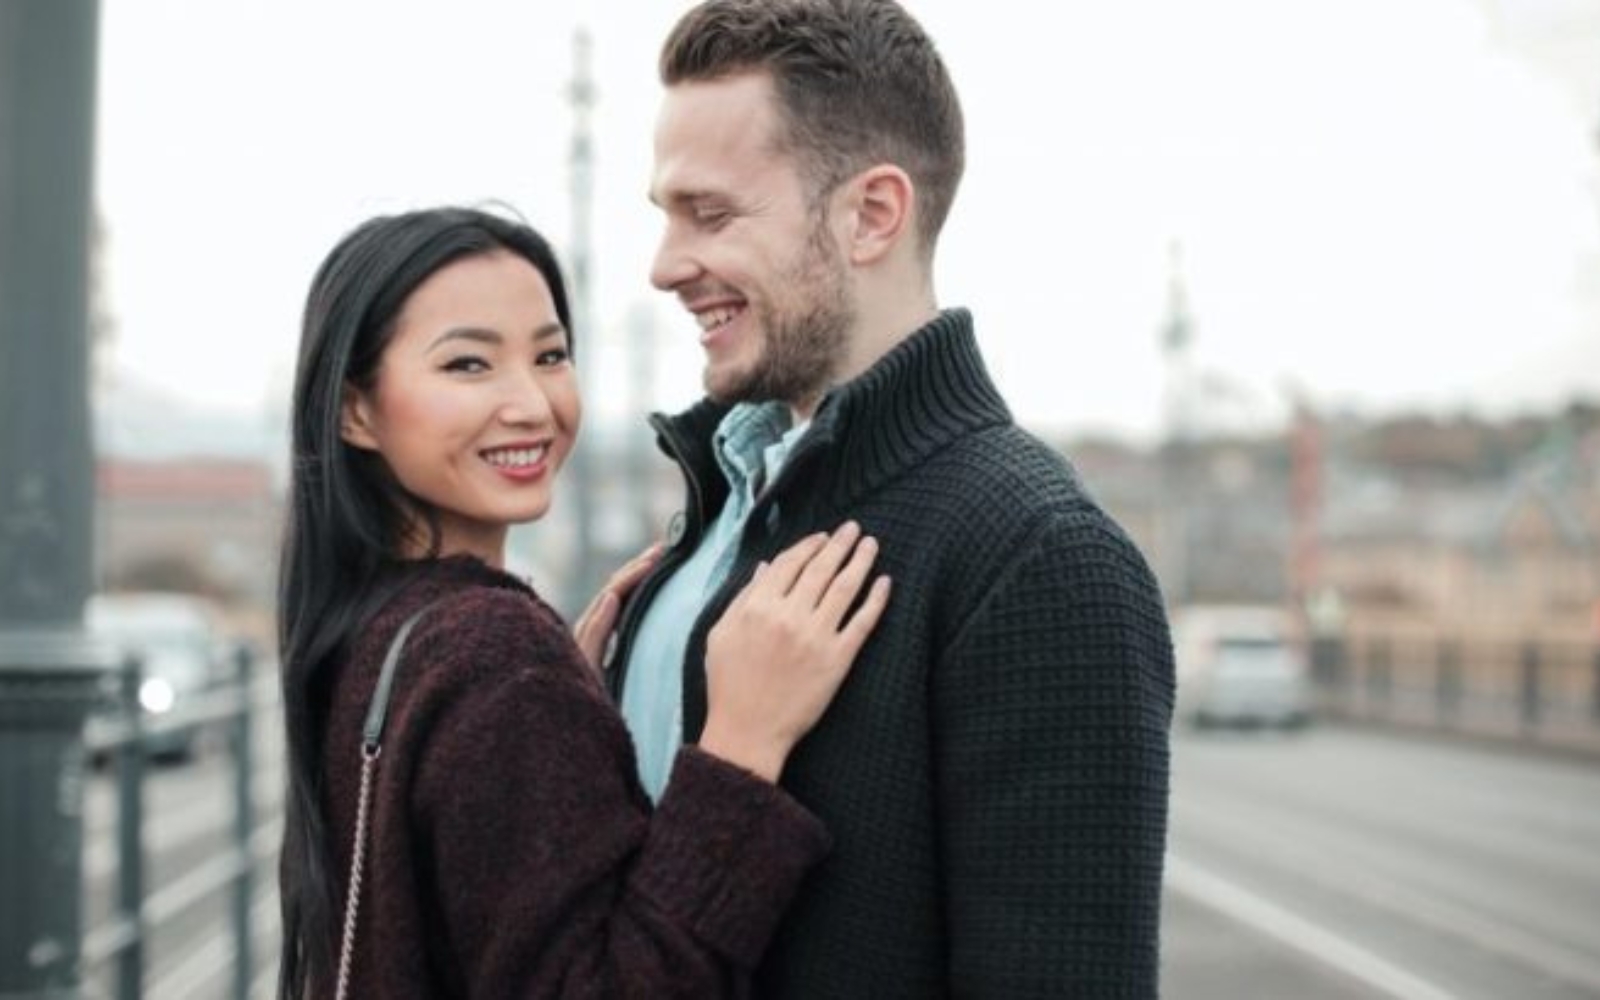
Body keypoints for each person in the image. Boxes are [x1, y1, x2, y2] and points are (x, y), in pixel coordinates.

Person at [606, 1, 1177, 996]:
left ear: (871, 214)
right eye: (664, 213)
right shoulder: (712, 518)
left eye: (711, 213)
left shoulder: (1039, 557)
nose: (664, 266)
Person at [274, 205, 891, 998]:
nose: (531, 404)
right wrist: (740, 746)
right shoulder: (491, 661)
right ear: (356, 408)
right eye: (468, 365)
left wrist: (563, 704)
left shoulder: (372, 629)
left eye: (551, 355)